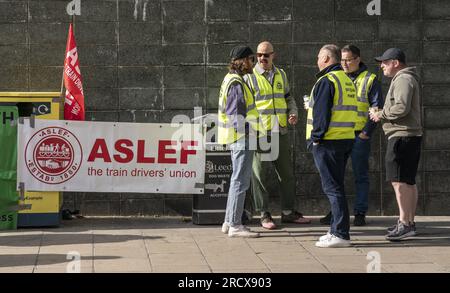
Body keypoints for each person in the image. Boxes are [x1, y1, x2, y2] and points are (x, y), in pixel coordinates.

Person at [245, 41, 310, 230]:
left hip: (280, 130)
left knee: (287, 175)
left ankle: (288, 213)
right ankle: (264, 214)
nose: (262, 58)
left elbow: (288, 97)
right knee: (259, 174)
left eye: (266, 55)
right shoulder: (249, 77)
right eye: (258, 55)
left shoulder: (281, 74)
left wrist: (294, 112)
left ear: (274, 55)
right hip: (259, 132)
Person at [320, 45, 384, 227]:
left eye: (348, 60)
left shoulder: (370, 79)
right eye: (342, 60)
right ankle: (336, 212)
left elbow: (376, 108)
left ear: (358, 59)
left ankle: (360, 213)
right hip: (339, 134)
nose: (345, 64)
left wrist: (366, 133)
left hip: (358, 135)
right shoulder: (337, 77)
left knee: (360, 175)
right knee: (335, 176)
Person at [306, 44, 358, 248]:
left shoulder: (326, 80)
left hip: (328, 142)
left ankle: (340, 233)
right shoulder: (346, 79)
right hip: (344, 138)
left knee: (333, 188)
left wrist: (316, 138)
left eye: (319, 57)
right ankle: (336, 229)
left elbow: (322, 113)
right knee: (337, 186)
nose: (317, 61)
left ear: (327, 59)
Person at [370, 48, 422, 241]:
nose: (381, 65)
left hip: (402, 136)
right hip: (409, 136)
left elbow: (401, 107)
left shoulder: (402, 79)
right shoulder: (407, 78)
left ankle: (405, 224)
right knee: (408, 181)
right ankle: (408, 222)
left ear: (396, 63)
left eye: (384, 62)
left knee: (399, 181)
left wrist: (380, 114)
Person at [218, 45, 261, 238]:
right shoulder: (236, 82)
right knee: (240, 182)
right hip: (242, 138)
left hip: (237, 138)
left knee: (237, 180)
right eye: (252, 59)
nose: (254, 63)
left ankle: (229, 221)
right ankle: (235, 224)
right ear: (242, 61)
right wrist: (249, 133)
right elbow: (236, 115)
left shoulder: (231, 79)